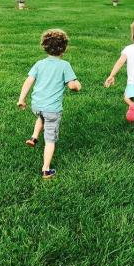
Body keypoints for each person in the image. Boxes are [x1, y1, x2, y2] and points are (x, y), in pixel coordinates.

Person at [17, 29, 81, 178]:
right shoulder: (64, 65)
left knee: (41, 117)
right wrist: (77, 85)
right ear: (64, 48)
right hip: (52, 110)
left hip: (37, 106)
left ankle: (33, 137)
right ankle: (46, 169)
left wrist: (21, 99)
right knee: (50, 139)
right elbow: (72, 86)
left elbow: (28, 81)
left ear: (44, 46)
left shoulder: (39, 64)